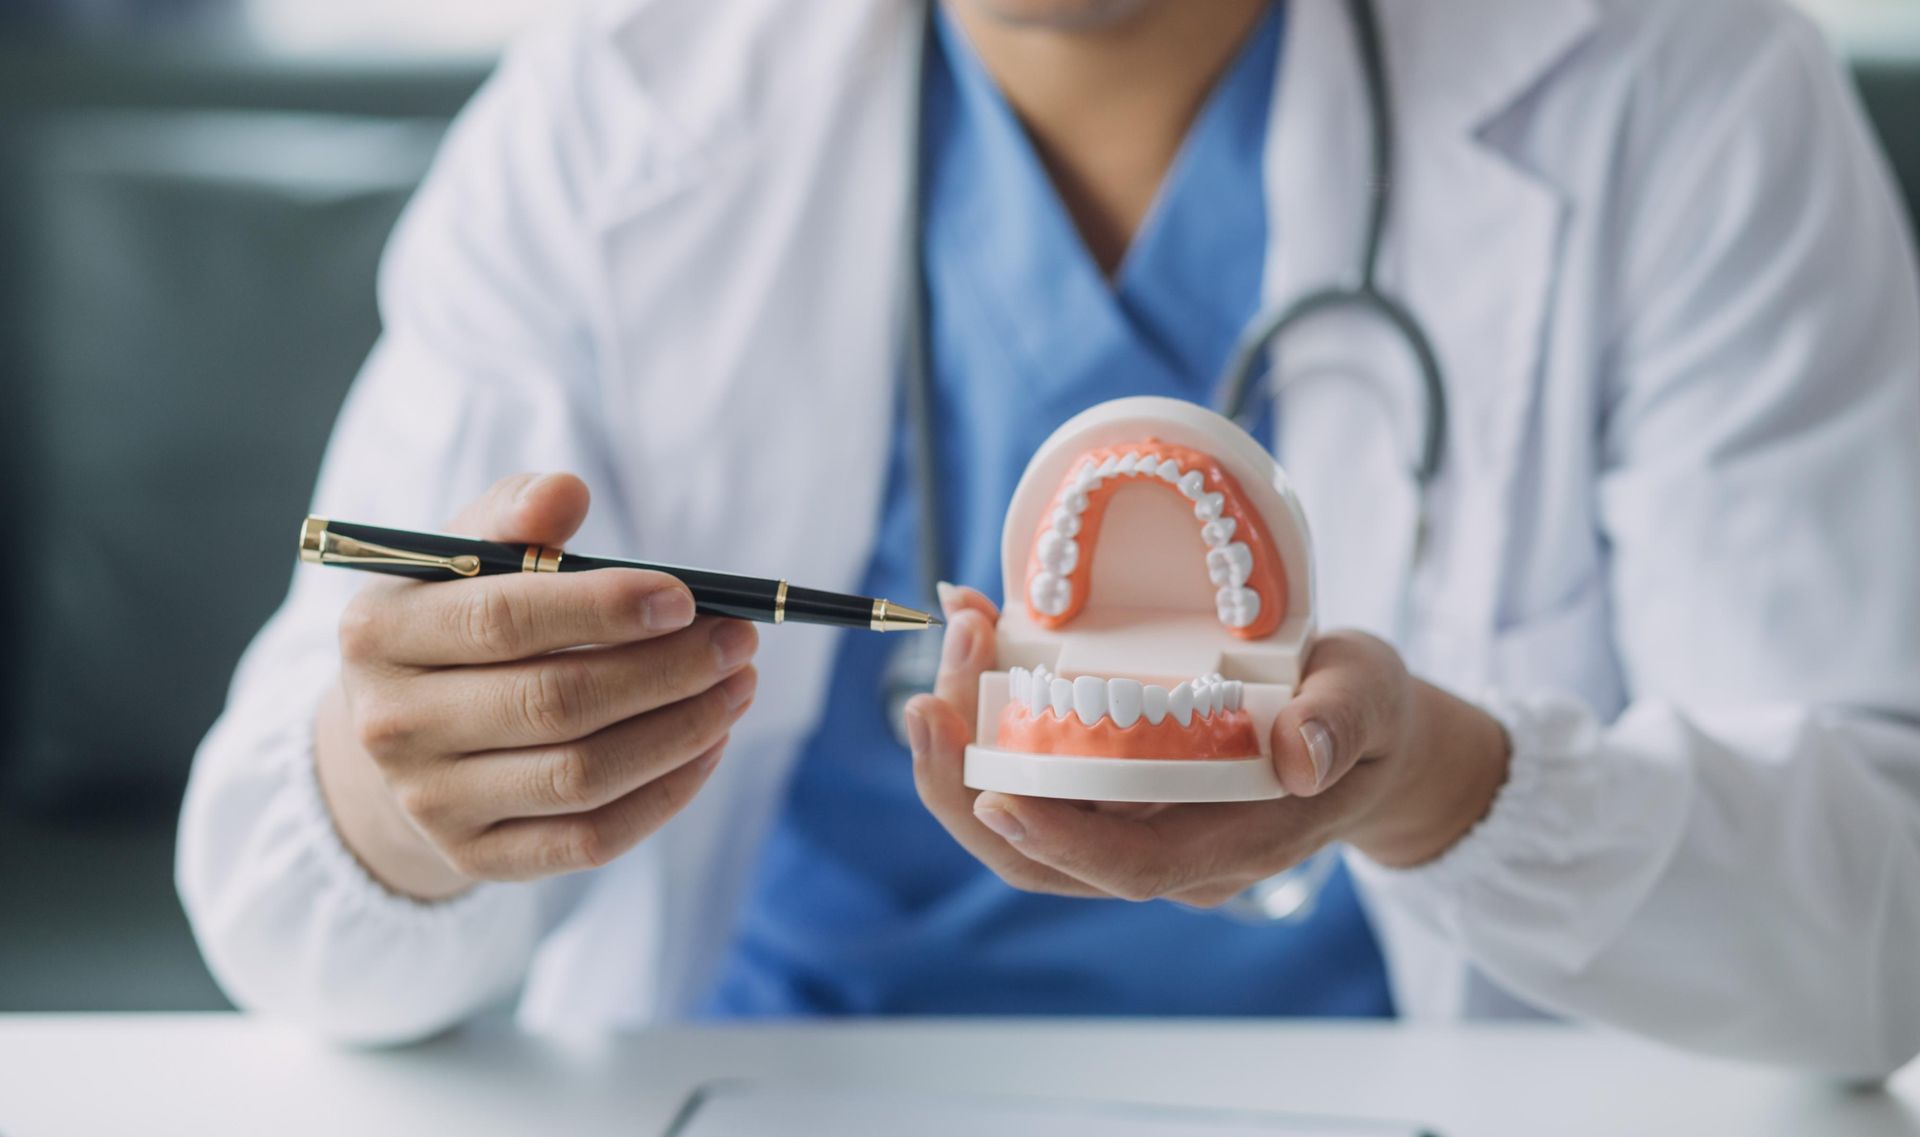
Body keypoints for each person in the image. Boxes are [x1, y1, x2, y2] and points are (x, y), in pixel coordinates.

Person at [178, 0, 1920, 1077]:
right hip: (774, 1085)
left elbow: (1882, 921)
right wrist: (407, 785)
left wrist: (1440, 780)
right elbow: (274, 906)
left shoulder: (1683, 85)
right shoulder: (613, 104)